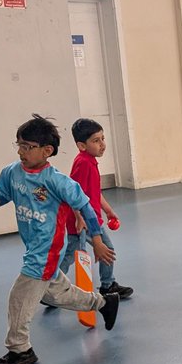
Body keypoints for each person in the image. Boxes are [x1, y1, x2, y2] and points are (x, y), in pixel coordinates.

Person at [0, 115, 119, 364]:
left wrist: (97, 241)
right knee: (56, 293)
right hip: (32, 246)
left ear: (47, 151)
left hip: (46, 250)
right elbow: (5, 193)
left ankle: (19, 349)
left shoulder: (56, 181)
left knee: (19, 297)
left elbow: (86, 207)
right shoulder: (12, 172)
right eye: (19, 145)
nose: (22, 151)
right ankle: (103, 303)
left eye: (28, 146)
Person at [56, 118, 133, 301]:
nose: (102, 144)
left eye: (102, 138)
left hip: (89, 217)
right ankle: (107, 285)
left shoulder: (90, 161)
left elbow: (94, 192)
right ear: (82, 145)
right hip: (83, 220)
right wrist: (78, 217)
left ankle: (49, 286)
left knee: (70, 255)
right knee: (107, 249)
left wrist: (108, 211)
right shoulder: (83, 163)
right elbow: (73, 193)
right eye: (96, 141)